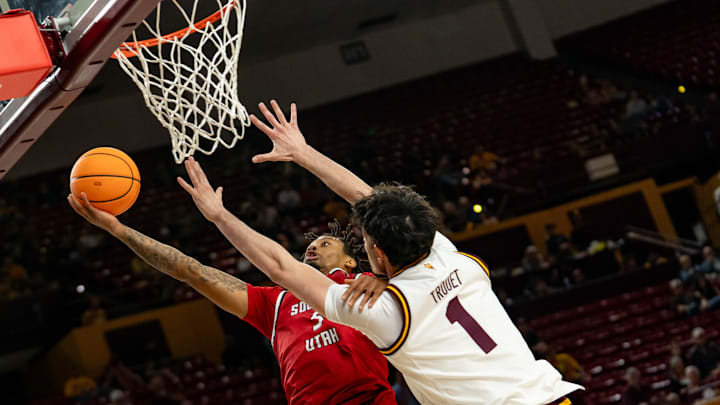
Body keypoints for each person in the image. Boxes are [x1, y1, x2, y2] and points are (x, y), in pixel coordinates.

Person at [177, 100, 582, 404]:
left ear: (379, 254)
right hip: (554, 396)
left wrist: (218, 216)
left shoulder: (386, 312)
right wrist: (304, 152)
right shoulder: (449, 254)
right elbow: (372, 201)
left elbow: (281, 266)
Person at [66, 196, 396, 404]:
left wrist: (382, 280)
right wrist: (119, 230)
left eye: (324, 244)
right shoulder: (274, 303)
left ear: (351, 260)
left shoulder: (367, 283)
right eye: (309, 246)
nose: (311, 248)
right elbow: (190, 270)